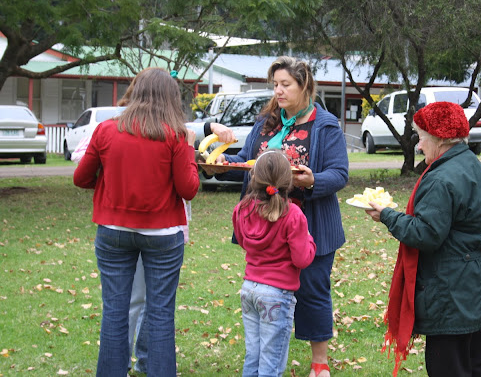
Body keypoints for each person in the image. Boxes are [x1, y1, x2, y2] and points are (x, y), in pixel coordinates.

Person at [217, 56, 349, 377]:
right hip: (267, 225)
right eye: (275, 84)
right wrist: (222, 164)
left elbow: (339, 173)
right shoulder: (266, 122)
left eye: (285, 84)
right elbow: (248, 161)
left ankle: (319, 362)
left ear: (304, 85)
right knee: (268, 294)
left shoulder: (325, 124)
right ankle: (266, 359)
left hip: (310, 225)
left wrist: (312, 180)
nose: (278, 91)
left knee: (313, 291)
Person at [74, 67, 201, 377]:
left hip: (113, 231)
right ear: (170, 98)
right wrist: (189, 147)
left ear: (135, 92)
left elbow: (81, 178)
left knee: (114, 312)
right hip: (163, 234)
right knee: (160, 313)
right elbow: (188, 189)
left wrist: (109, 184)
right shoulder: (175, 135)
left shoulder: (106, 130)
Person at [364, 102, 481, 377]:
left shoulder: (441, 178)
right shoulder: (471, 165)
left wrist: (387, 216)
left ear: (440, 138)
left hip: (455, 297)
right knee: (477, 367)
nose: (418, 146)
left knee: (449, 370)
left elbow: (426, 234)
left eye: (421, 137)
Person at [233, 150, 317, 376]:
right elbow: (302, 259)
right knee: (271, 361)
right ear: (289, 181)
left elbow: (243, 241)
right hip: (276, 295)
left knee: (253, 354)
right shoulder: (293, 214)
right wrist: (309, 239)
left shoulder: (242, 209)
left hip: (249, 289)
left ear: (254, 177)